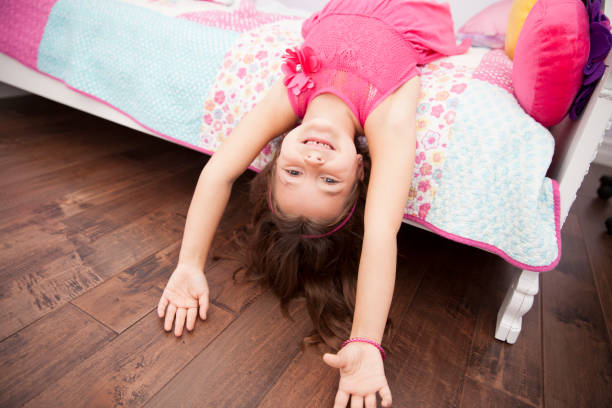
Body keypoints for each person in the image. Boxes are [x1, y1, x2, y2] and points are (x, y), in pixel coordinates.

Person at [157, 1, 469, 406]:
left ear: (275, 159)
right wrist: (366, 340)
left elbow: (219, 172)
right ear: (359, 171)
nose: (313, 161)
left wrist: (190, 263)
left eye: (293, 173)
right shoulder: (386, 117)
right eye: (329, 181)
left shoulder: (292, 92)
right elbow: (380, 233)